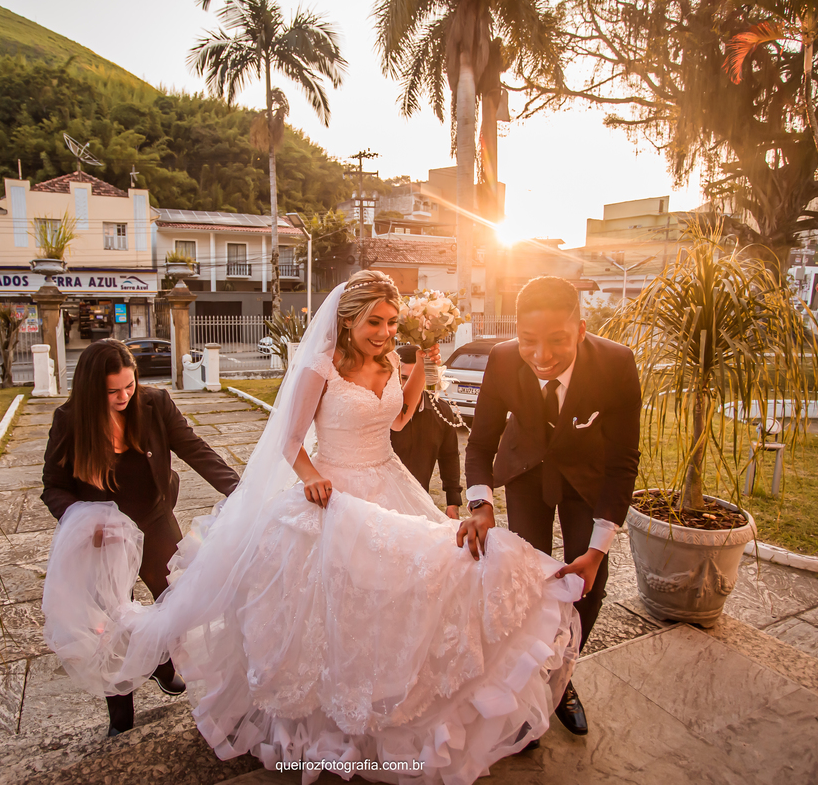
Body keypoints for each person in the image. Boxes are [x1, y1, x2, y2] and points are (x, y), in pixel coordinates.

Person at [41, 271, 582, 784]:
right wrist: (309, 478)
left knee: (412, 586)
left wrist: (422, 367)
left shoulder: (393, 359)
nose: (385, 333)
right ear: (347, 321)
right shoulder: (319, 367)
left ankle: (397, 701)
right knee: (334, 606)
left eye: (392, 322)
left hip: (387, 480)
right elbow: (291, 441)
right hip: (334, 491)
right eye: (374, 322)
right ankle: (322, 716)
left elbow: (396, 419)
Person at [460, 276, 641, 738]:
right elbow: (479, 443)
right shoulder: (501, 359)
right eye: (529, 341)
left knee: (586, 586)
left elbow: (623, 462)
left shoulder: (617, 364)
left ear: (580, 329)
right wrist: (481, 503)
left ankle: (561, 679)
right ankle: (526, 688)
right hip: (525, 469)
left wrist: (598, 550)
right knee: (526, 578)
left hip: (586, 474)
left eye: (557, 341)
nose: (542, 357)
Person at [41, 338, 239, 736]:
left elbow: (193, 448)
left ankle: (162, 664)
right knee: (110, 625)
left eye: (129, 386)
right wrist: (83, 519)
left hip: (153, 518)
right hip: (105, 539)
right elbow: (53, 486)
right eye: (112, 391)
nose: (123, 396)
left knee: (172, 599)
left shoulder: (155, 403)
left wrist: (239, 490)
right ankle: (120, 716)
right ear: (90, 389)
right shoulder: (69, 419)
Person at [390, 344, 464, 518]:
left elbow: (450, 456)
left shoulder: (441, 411)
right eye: (403, 378)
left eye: (415, 377)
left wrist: (453, 501)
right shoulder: (383, 410)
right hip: (382, 504)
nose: (408, 385)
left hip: (420, 504)